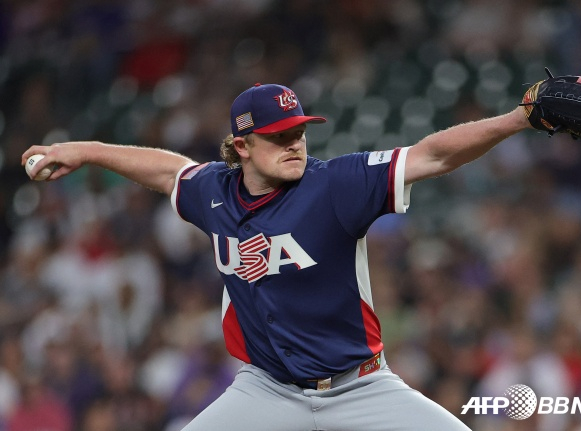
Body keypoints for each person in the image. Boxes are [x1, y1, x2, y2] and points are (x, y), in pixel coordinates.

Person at [22, 82, 531, 430]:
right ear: (242, 146)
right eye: (278, 136)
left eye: (299, 131)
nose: (295, 144)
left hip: (360, 386)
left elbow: (432, 155)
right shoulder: (214, 193)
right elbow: (166, 170)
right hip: (266, 390)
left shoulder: (335, 185)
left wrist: (516, 119)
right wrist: (84, 151)